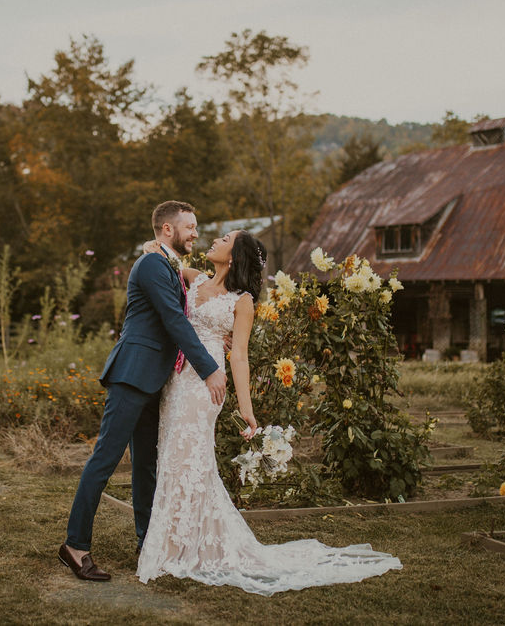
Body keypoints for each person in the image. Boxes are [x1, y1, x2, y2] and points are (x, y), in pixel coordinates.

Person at [136, 229, 402, 596]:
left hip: (205, 386)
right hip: (176, 383)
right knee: (173, 458)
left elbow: (240, 355)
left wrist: (246, 409)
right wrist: (153, 246)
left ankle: (174, 549)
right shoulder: (194, 279)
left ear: (234, 256)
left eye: (225, 238)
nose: (215, 239)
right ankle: (180, 542)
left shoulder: (242, 301)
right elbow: (168, 262)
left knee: (189, 459)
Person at [59, 201, 227, 581]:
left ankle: (147, 543)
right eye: (190, 227)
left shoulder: (164, 262)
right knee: (104, 460)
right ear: (168, 229)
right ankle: (75, 546)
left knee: (147, 467)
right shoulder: (151, 264)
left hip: (155, 380)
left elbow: (197, 293)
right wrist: (210, 370)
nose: (196, 233)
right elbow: (172, 320)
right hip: (133, 375)